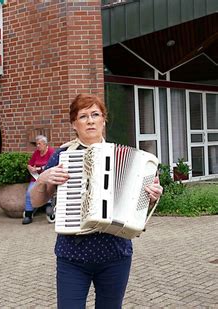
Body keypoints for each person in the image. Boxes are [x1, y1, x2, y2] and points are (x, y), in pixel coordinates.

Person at [30, 94, 163, 308]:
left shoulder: (129, 158)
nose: (90, 120)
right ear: (74, 124)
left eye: (95, 114)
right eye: (83, 116)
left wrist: (151, 195)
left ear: (104, 120)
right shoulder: (62, 156)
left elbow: (137, 207)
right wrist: (42, 181)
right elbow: (36, 202)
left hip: (115, 253)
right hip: (73, 254)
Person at [22, 135, 55, 225]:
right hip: (36, 177)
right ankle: (28, 214)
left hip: (47, 177)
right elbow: (30, 164)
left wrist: (39, 168)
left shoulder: (51, 152)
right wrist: (30, 168)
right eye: (37, 144)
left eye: (39, 144)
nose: (37, 146)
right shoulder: (36, 153)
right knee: (29, 192)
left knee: (47, 190)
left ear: (45, 144)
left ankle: (49, 207)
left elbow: (52, 165)